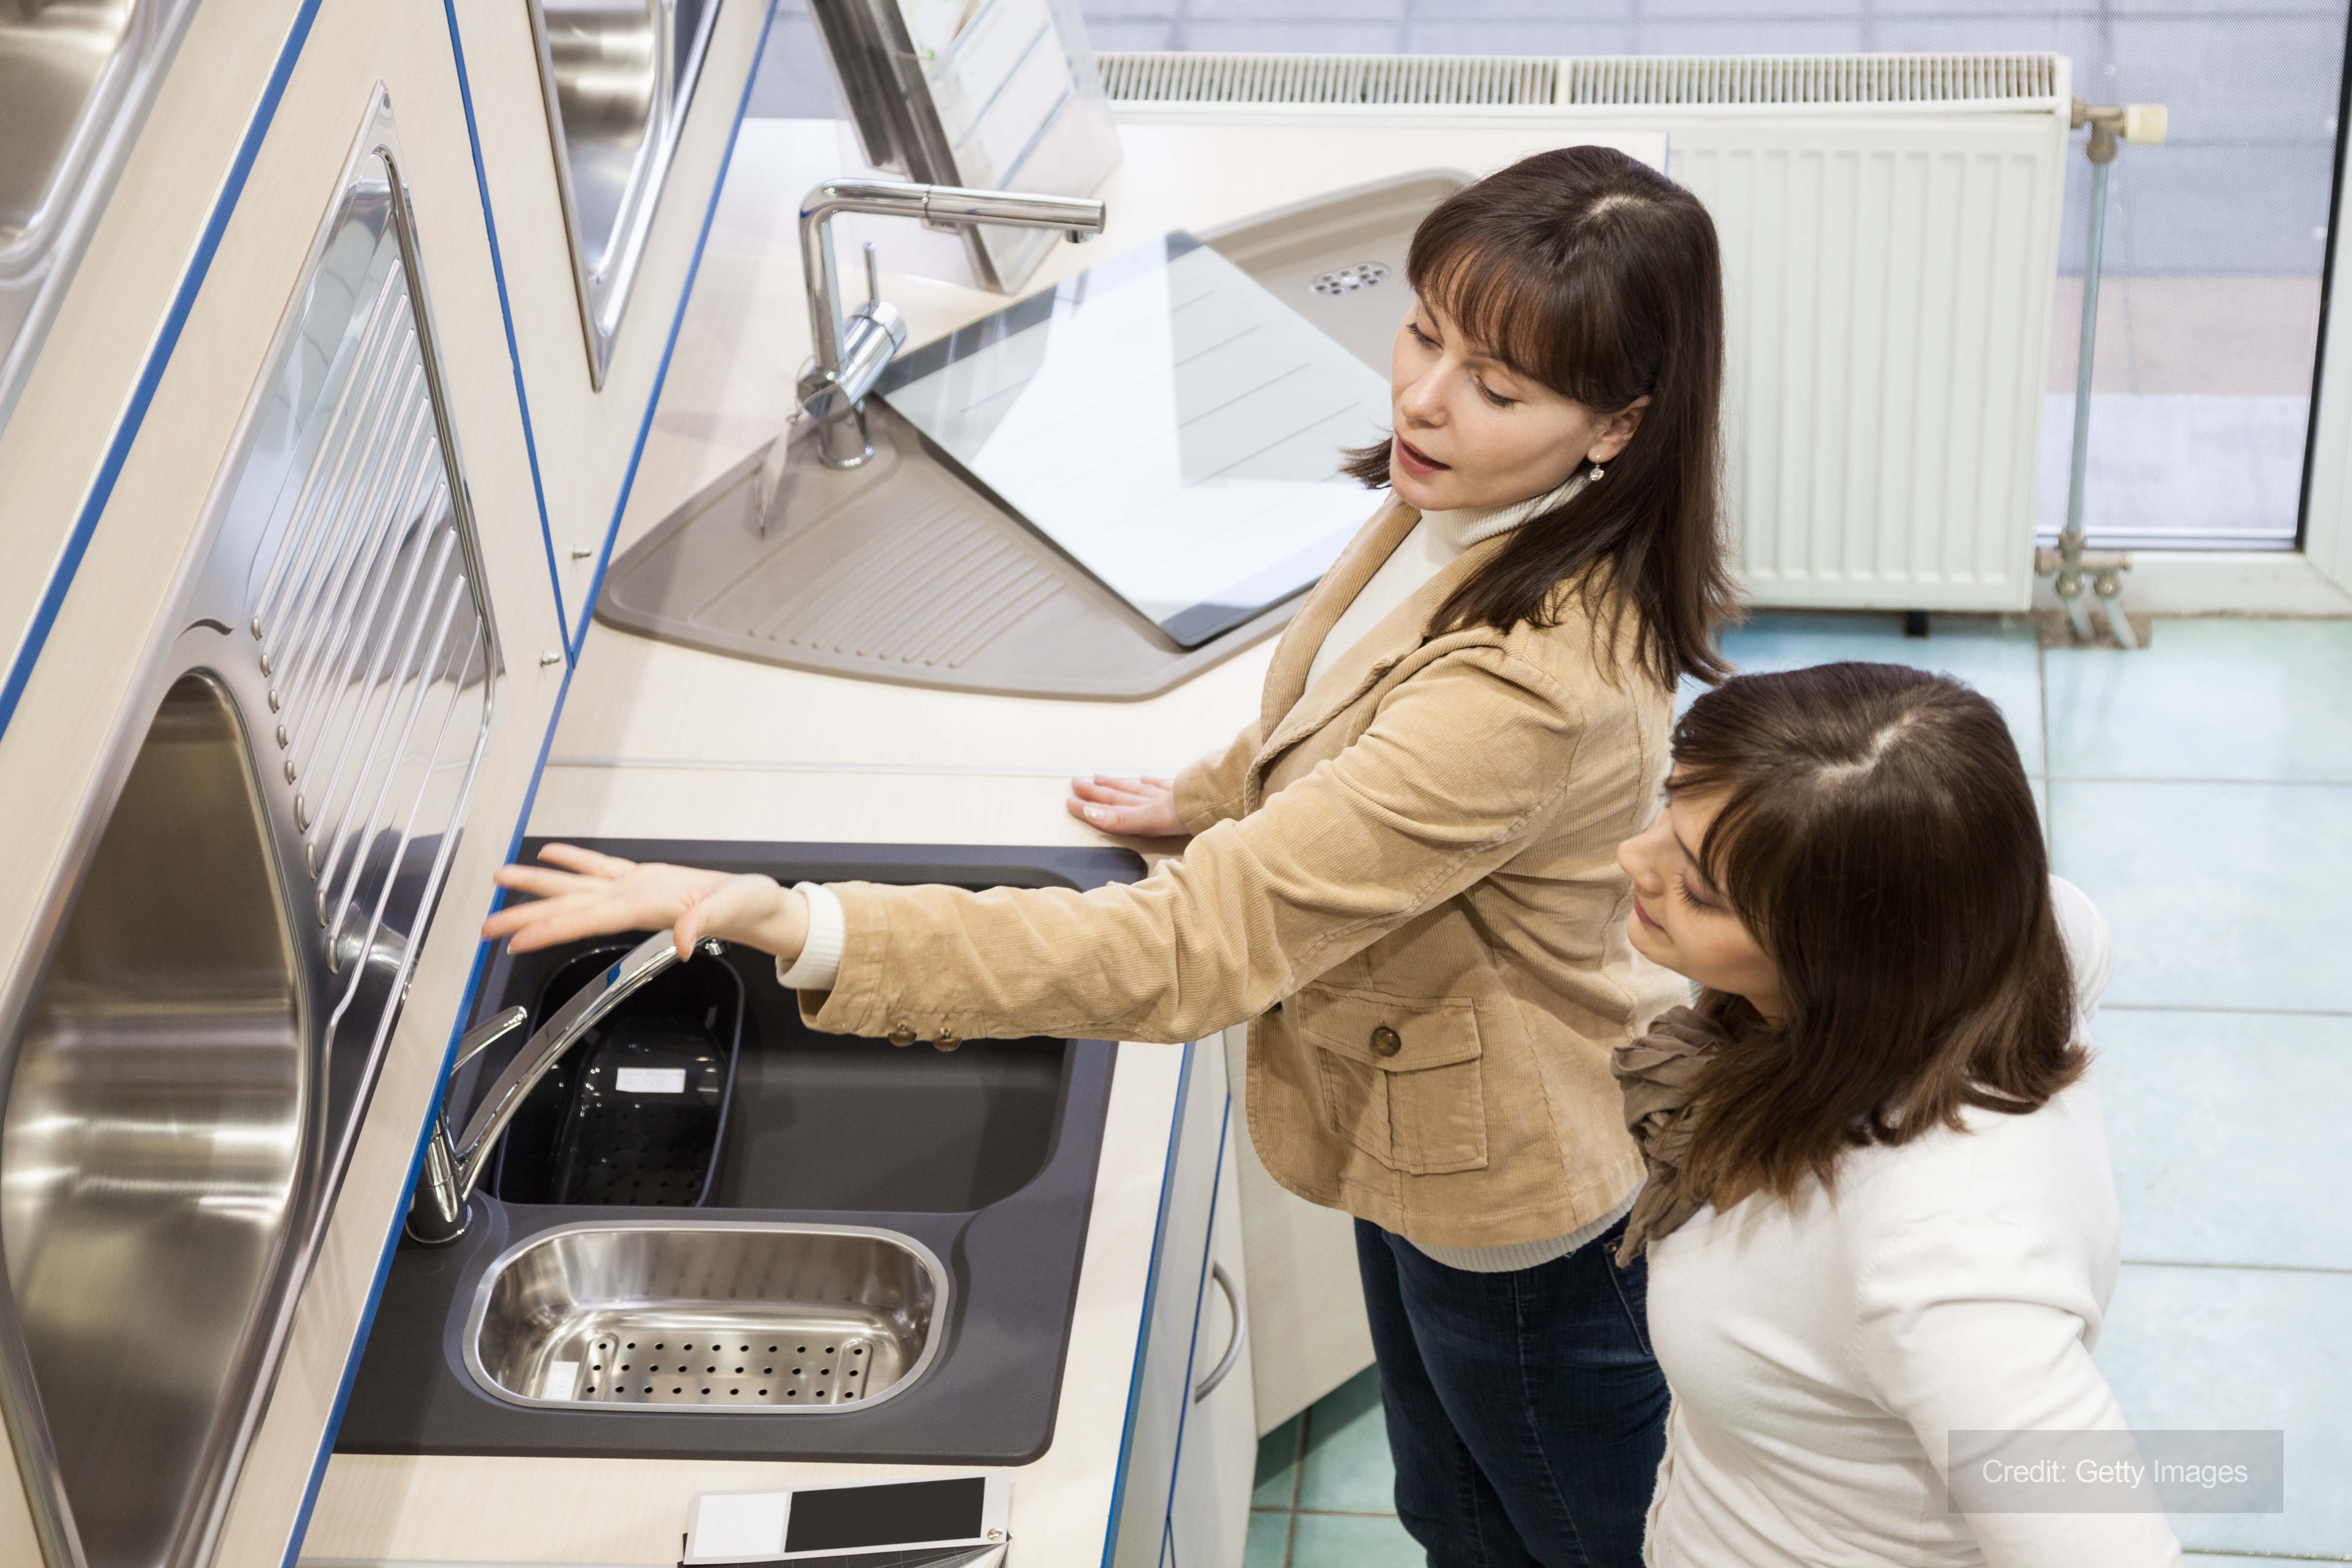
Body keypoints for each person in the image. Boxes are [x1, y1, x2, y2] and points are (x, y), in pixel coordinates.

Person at [484, 145, 1738, 1566]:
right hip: (1418, 1134)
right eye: (1421, 332)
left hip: (1511, 1197)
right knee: (1449, 1511)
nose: (1419, 396)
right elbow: (1360, 701)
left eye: (1493, 386)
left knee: (1576, 1539)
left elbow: (1181, 952)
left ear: (1615, 428)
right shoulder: (1479, 496)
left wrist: (795, 920)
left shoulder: (1531, 684)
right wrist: (1215, 793)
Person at [1612, 661, 2184, 1567]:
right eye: (1665, 811)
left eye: (1700, 889)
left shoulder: (1939, 1253)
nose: (1633, 861)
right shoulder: (2020, 940)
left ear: (1850, 954)